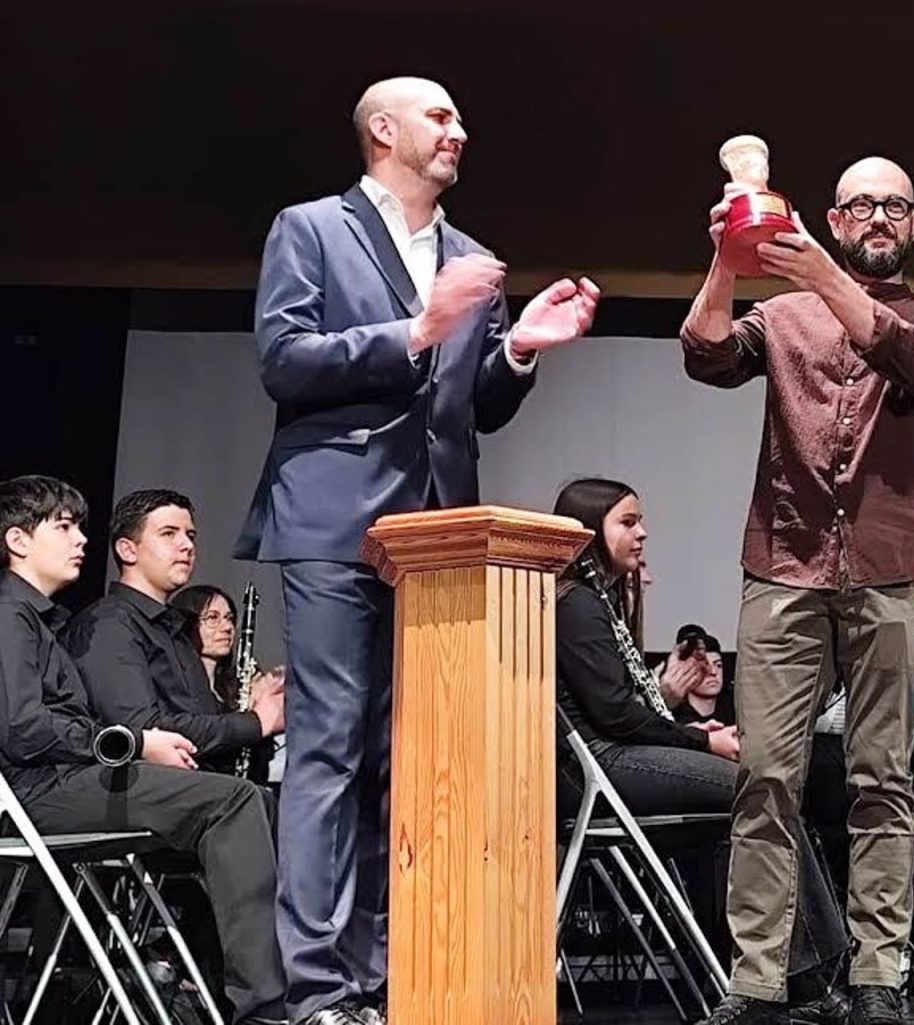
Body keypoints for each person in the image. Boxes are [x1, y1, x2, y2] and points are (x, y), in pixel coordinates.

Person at [234, 76, 600, 1025]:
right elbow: (283, 359)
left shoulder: (471, 255)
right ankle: (318, 991)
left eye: (460, 118)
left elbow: (477, 404)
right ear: (382, 129)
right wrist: (415, 330)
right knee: (330, 749)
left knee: (412, 755)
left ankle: (389, 979)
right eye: (440, 116)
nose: (459, 131)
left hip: (441, 535)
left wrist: (519, 349)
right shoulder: (312, 228)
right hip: (335, 520)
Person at [682, 153, 914, 1025]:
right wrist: (728, 259)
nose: (879, 217)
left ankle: (878, 972)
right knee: (765, 776)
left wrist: (817, 273)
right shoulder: (781, 315)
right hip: (784, 567)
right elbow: (704, 354)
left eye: (895, 206)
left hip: (894, 568)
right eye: (861, 205)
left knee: (882, 775)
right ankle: (757, 980)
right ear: (836, 220)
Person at [552, 478, 847, 1024]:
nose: (642, 533)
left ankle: (781, 978)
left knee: (750, 808)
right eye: (627, 522)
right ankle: (811, 979)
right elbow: (616, 715)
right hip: (601, 765)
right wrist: (703, 739)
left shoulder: (596, 602)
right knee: (761, 789)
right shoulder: (577, 605)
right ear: (590, 532)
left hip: (613, 757)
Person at [0, 475, 286, 1024]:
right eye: (64, 527)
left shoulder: (35, 618)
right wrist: (134, 742)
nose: (81, 539)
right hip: (37, 791)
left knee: (248, 800)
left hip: (58, 782)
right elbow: (22, 729)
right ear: (18, 541)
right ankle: (265, 1010)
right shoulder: (11, 614)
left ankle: (261, 992)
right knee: (233, 803)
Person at [64, 490, 284, 778]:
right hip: (137, 784)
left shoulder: (175, 630)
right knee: (251, 798)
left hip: (192, 780)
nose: (187, 545)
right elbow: (141, 728)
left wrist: (257, 703)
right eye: (169, 534)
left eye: (190, 535)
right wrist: (256, 722)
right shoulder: (108, 624)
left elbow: (203, 721)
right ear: (128, 550)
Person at [170, 583, 285, 781]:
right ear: (188, 625)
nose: (227, 627)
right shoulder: (175, 686)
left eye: (229, 618)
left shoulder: (237, 684)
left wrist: (259, 707)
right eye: (212, 618)